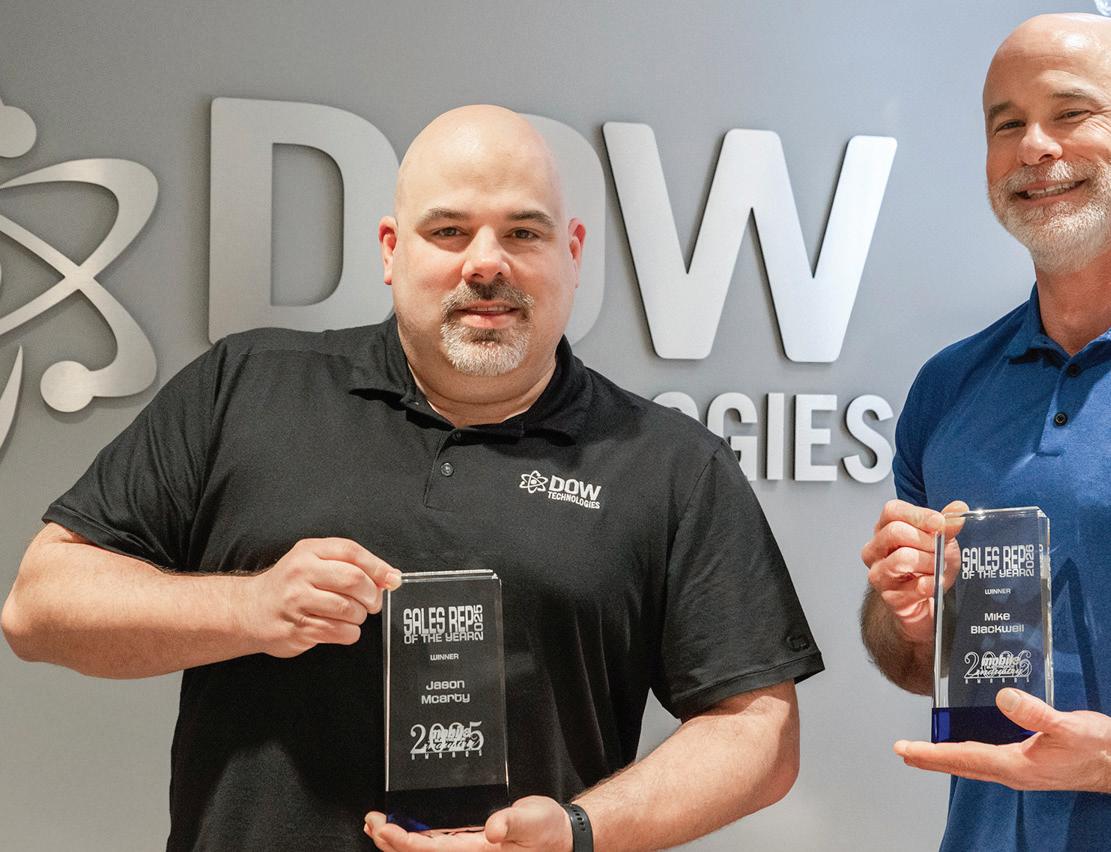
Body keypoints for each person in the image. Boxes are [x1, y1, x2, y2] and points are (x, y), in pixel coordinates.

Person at [2, 105, 823, 852]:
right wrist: (248, 607)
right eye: (449, 231)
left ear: (572, 254)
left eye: (523, 233)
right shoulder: (245, 388)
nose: (485, 264)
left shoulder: (670, 462)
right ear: (392, 251)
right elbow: (39, 606)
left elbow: (757, 732)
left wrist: (578, 832)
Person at [860, 13, 1111, 852]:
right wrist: (908, 614)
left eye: (1070, 112)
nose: (1034, 146)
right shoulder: (949, 387)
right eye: (1006, 124)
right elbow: (917, 664)